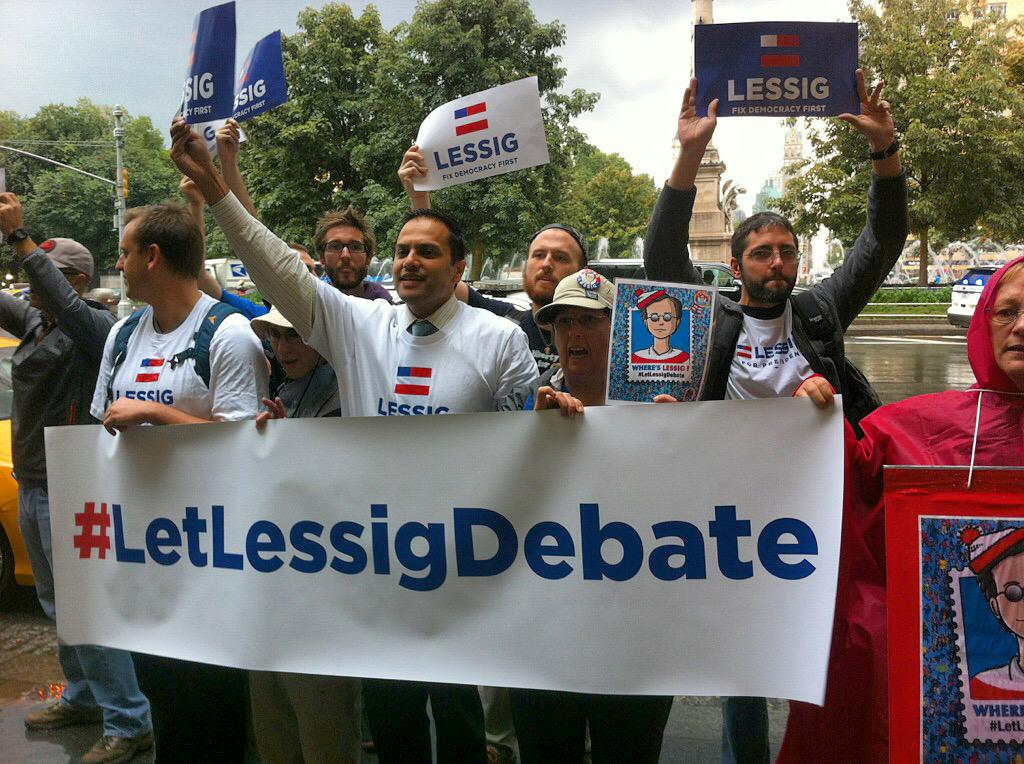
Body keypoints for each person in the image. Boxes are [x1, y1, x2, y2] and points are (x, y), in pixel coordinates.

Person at [170, 115, 537, 764]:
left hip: (461, 573)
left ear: (459, 267)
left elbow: (531, 454)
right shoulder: (360, 324)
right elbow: (277, 269)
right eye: (402, 250)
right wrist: (218, 191)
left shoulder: (499, 338)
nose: (410, 261)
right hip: (376, 572)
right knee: (394, 725)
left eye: (428, 252)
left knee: (458, 721)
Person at [644, 71, 907, 763]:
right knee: (746, 663)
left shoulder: (819, 313)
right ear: (735, 267)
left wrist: (884, 151)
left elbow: (881, 243)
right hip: (735, 514)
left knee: (831, 644)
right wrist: (689, 153)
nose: (778, 262)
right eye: (762, 253)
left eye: (787, 251)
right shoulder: (712, 320)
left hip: (822, 513)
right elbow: (662, 256)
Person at [779, 254, 1024, 762]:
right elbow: (845, 478)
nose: (1021, 326)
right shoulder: (925, 426)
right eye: (1007, 312)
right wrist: (809, 420)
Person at [90, 201, 268, 762]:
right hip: (146, 553)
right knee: (162, 692)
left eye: (124, 252)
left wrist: (156, 413)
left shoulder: (228, 334)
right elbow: (101, 435)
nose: (118, 264)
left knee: (212, 705)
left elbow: (245, 448)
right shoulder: (123, 334)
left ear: (153, 256)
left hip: (213, 559)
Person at [0, 193, 152, 764]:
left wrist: (20, 237)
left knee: (85, 605)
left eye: (44, 270)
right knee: (56, 603)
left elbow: (62, 301)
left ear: (76, 281)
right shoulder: (35, 322)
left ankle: (129, 720)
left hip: (72, 483)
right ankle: (84, 695)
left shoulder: (95, 328)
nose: (30, 280)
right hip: (33, 479)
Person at [513, 269, 674, 763]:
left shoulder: (657, 407)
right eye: (563, 323)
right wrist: (532, 438)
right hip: (545, 639)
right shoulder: (527, 406)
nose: (574, 334)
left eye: (589, 321)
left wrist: (676, 440)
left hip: (632, 643)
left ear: (618, 329)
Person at [246, 308, 362, 762]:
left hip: (325, 596)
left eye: (293, 336)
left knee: (323, 725)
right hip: (273, 588)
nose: (283, 348)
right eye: (275, 337)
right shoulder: (283, 390)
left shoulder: (351, 394)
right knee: (274, 722)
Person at [399, 144, 586, 376]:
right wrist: (419, 197)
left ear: (583, 271)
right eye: (538, 255)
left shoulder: (602, 339)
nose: (546, 264)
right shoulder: (504, 321)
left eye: (560, 257)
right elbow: (442, 279)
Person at [631, 289, 689, 364]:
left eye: (667, 317)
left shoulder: (685, 358)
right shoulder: (636, 357)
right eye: (654, 317)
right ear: (646, 322)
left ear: (677, 322)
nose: (661, 323)